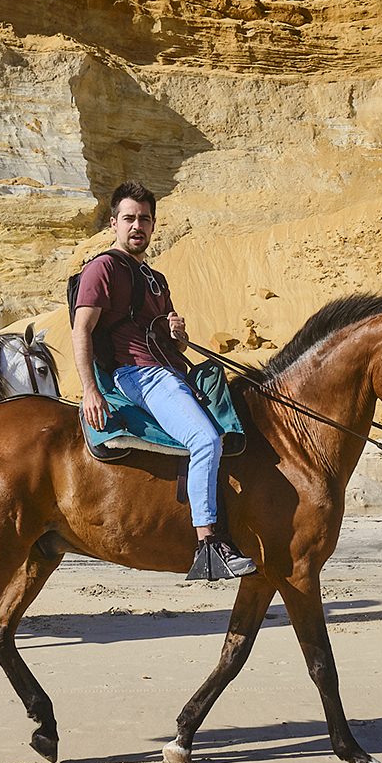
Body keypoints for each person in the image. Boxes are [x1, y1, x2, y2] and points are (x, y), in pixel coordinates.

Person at [72, 181, 256, 579]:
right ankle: (209, 542)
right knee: (204, 439)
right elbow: (81, 330)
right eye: (129, 218)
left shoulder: (156, 278)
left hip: (171, 371)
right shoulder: (103, 268)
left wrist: (179, 338)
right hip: (138, 374)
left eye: (144, 219)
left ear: (153, 226)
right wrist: (89, 390)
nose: (137, 226)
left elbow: (177, 348)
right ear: (113, 223)